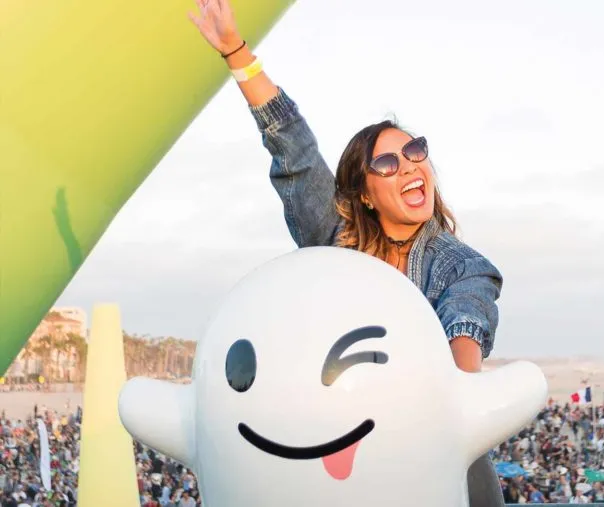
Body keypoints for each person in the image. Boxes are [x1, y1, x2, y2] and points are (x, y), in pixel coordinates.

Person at [188, 1, 505, 504]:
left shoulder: (460, 265)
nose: (409, 166)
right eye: (387, 163)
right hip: (336, 448)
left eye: (414, 152)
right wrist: (236, 52)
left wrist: (459, 399)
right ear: (364, 194)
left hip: (429, 449)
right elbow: (294, 149)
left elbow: (465, 324)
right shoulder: (334, 240)